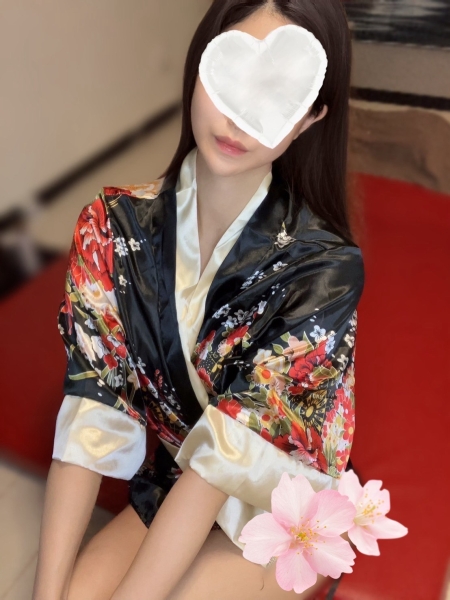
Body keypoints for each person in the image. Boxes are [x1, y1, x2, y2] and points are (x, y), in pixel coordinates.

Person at [32, 1, 364, 599]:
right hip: (180, 475)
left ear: (310, 117)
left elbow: (228, 464)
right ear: (200, 62)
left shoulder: (326, 269)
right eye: (230, 74)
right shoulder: (109, 227)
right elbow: (91, 409)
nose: (239, 118)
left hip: (278, 500)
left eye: (276, 93)